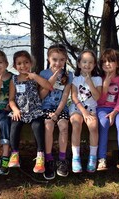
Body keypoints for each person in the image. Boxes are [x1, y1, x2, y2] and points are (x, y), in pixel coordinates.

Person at [8, 50, 52, 173]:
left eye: (26, 62)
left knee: (38, 126)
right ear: (15, 66)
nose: (23, 66)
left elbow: (49, 86)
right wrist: (15, 110)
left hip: (35, 110)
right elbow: (11, 99)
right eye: (19, 63)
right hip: (20, 111)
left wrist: (35, 77)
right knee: (14, 125)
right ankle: (14, 154)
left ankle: (40, 156)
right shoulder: (14, 80)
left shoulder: (35, 77)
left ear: (31, 63)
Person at [39, 44, 73, 180]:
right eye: (54, 59)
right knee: (48, 125)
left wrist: (58, 113)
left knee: (64, 126)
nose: (58, 63)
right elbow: (41, 96)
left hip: (60, 109)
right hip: (46, 108)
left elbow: (65, 97)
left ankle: (62, 159)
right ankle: (48, 159)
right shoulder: (43, 74)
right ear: (48, 59)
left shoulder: (68, 75)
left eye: (61, 60)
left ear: (65, 60)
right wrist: (51, 80)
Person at [96, 48, 119, 173]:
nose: (107, 64)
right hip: (101, 109)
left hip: (117, 109)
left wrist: (115, 113)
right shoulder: (99, 78)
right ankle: (101, 158)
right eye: (104, 62)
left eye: (111, 61)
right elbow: (99, 101)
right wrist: (105, 85)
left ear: (117, 64)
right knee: (104, 123)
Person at [69, 50, 102, 173]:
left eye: (90, 62)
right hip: (77, 108)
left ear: (94, 65)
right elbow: (74, 97)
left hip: (92, 109)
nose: (87, 65)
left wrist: (90, 83)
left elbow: (97, 97)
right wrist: (83, 112)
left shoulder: (98, 79)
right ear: (78, 64)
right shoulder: (75, 79)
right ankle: (75, 157)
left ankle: (92, 157)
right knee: (76, 124)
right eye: (84, 62)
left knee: (93, 126)